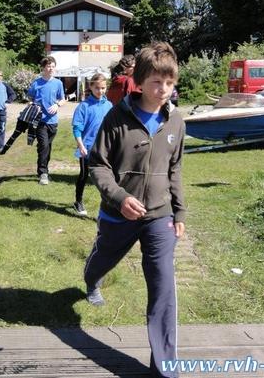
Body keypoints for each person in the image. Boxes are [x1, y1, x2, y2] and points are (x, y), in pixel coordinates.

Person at [84, 42, 186, 378]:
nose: (164, 90)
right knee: (103, 260)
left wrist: (179, 214)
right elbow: (98, 165)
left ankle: (164, 369)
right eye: (157, 83)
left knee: (163, 288)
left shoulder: (176, 122)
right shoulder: (117, 117)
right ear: (140, 82)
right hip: (118, 215)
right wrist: (118, 198)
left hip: (159, 216)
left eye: (169, 83)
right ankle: (91, 277)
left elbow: (175, 171)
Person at [71, 73, 112, 216]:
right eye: (97, 88)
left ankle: (108, 204)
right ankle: (78, 202)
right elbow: (77, 128)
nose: (100, 91)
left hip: (105, 148)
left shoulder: (108, 105)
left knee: (106, 177)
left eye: (103, 88)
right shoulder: (84, 106)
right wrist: (81, 146)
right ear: (91, 87)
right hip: (87, 148)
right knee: (84, 175)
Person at [27, 56, 65, 185]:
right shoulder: (36, 83)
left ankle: (44, 170)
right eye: (48, 66)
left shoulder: (58, 83)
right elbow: (30, 98)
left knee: (46, 147)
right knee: (44, 145)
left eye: (53, 66)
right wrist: (33, 105)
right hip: (39, 120)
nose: (51, 69)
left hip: (53, 121)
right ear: (43, 68)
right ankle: (43, 173)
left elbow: (62, 99)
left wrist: (57, 105)